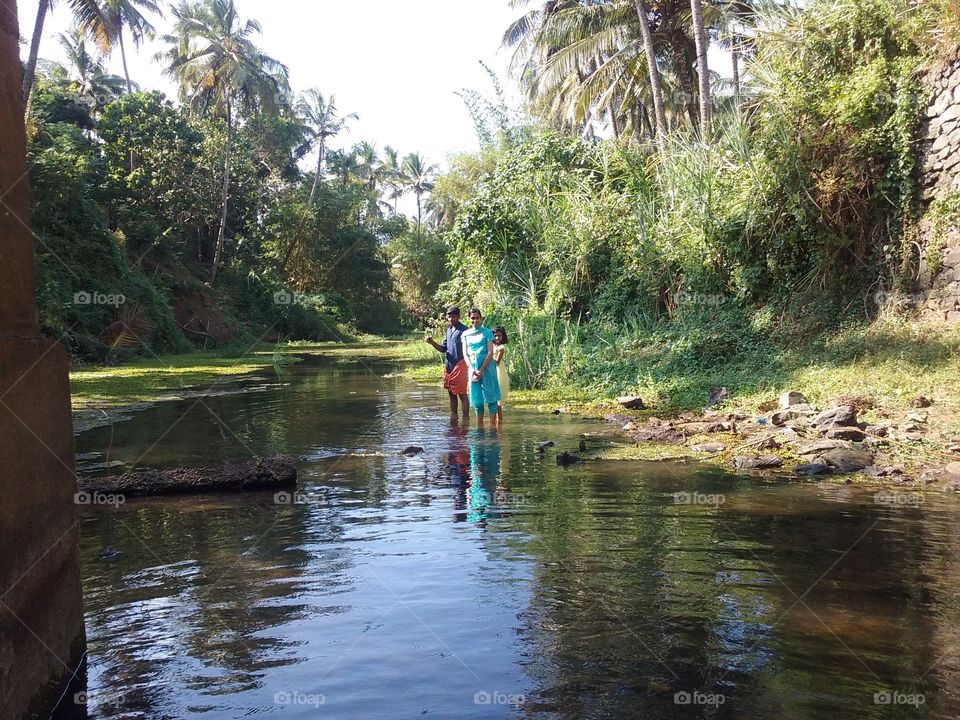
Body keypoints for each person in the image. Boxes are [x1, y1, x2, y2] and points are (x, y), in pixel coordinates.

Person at [424, 306, 469, 421]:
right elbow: (444, 348)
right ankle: (453, 418)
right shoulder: (449, 330)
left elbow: (470, 348)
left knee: (462, 394)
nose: (451, 319)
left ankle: (465, 420)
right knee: (451, 393)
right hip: (449, 366)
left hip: (460, 365)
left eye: (454, 316)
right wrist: (432, 342)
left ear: (458, 317)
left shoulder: (464, 330)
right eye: (449, 317)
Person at [460, 308, 500, 426]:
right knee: (477, 399)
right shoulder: (465, 334)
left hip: (487, 367)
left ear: (481, 318)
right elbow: (465, 354)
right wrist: (472, 369)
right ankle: (479, 429)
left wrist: (481, 370)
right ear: (469, 319)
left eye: (477, 318)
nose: (475, 320)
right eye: (473, 318)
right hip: (472, 368)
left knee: (491, 398)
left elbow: (490, 353)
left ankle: (493, 428)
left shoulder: (487, 332)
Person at [492, 325, 509, 424]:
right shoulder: (491, 345)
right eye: (495, 336)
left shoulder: (501, 348)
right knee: (493, 402)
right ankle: (495, 422)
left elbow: (497, 362)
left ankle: (499, 423)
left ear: (503, 336)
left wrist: (487, 358)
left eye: (499, 336)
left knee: (498, 403)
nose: (497, 338)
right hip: (492, 373)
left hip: (499, 374)